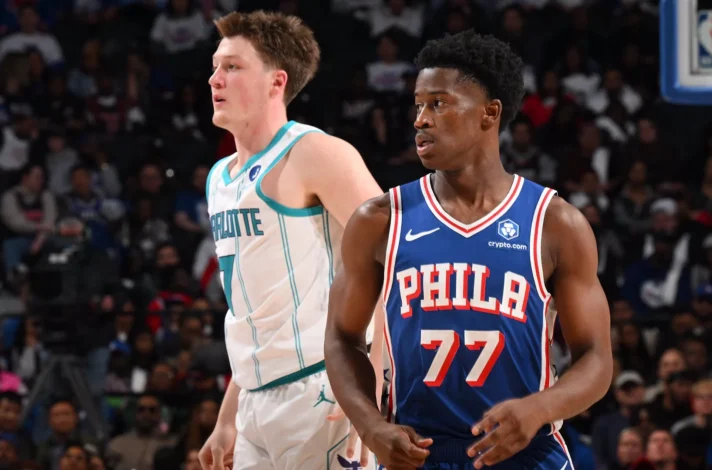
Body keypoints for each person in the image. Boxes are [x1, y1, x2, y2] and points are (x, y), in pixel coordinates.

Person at [325, 30, 612, 469]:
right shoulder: (380, 219)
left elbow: (596, 358)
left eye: (438, 103)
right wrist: (370, 426)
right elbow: (342, 339)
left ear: (489, 113)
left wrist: (540, 408)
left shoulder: (554, 223)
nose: (421, 120)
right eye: (418, 105)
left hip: (524, 453)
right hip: (419, 454)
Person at [199, 10, 384, 470]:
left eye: (232, 67)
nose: (214, 79)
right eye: (215, 66)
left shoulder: (316, 153)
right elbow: (254, 312)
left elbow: (397, 261)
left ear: (276, 81)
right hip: (254, 402)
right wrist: (227, 417)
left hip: (323, 388)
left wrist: (375, 385)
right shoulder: (219, 178)